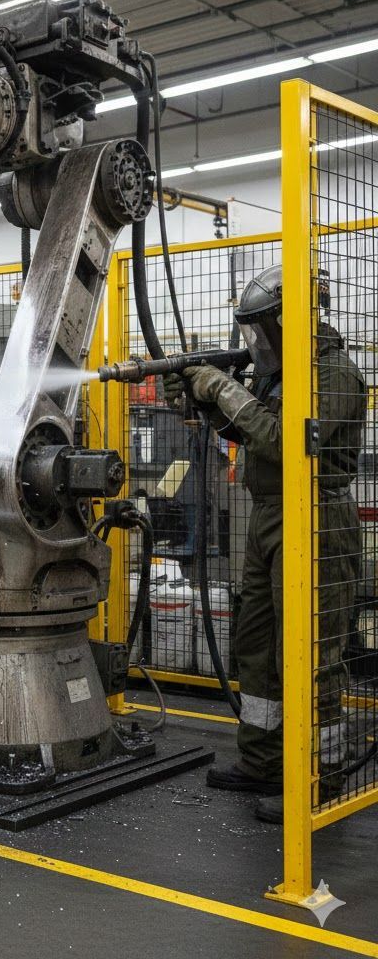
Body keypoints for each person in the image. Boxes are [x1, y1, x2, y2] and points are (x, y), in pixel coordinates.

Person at [164, 265, 366, 823]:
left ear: (289, 320)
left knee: (311, 654)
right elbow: (251, 434)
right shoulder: (281, 375)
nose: (254, 344)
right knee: (255, 644)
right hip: (271, 517)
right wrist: (207, 403)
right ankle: (264, 761)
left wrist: (223, 389)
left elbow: (284, 440)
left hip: (319, 517)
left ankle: (317, 778)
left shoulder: (334, 374)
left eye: (259, 331)